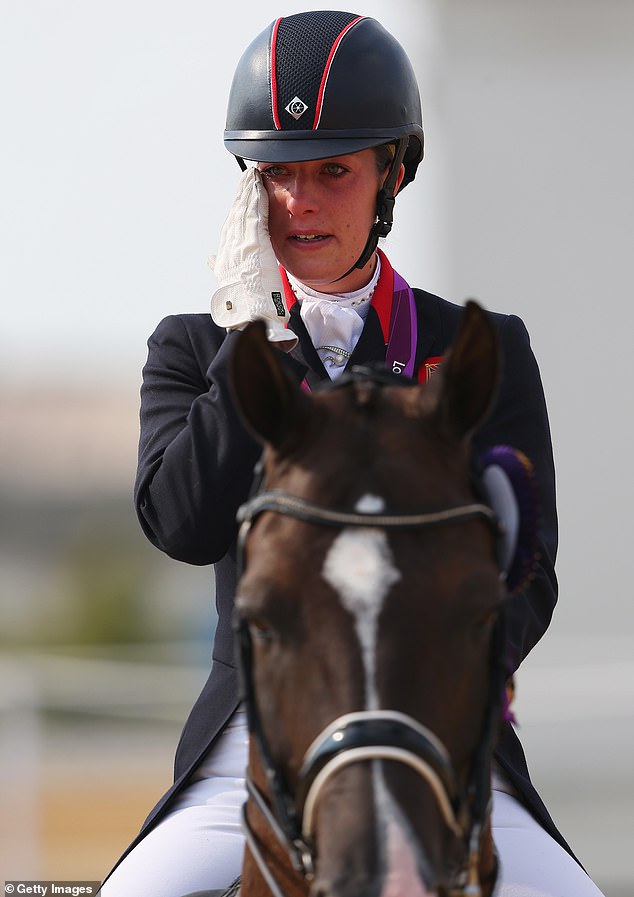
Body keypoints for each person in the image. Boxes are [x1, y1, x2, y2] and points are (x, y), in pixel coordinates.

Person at [99, 10, 604, 897]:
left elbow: (529, 574)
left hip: (437, 743)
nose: (301, 201)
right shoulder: (194, 348)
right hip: (250, 751)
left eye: (334, 170)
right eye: (279, 173)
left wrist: (435, 682)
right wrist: (251, 333)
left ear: (392, 175)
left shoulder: (476, 350)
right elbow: (182, 522)